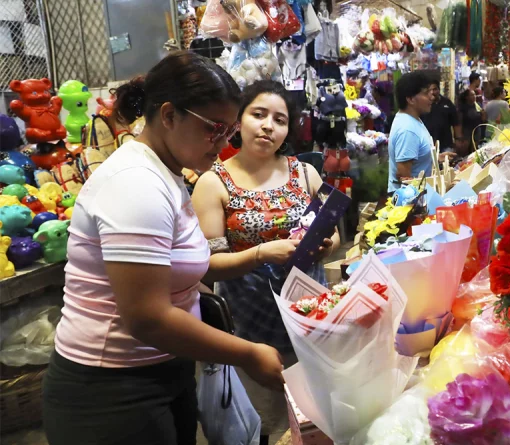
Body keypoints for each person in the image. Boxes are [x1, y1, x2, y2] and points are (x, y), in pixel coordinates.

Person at [42, 52, 285, 445]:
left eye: (229, 131)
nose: (225, 142)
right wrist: (247, 354)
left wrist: (259, 255)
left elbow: (185, 267)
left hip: (160, 370)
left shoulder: (167, 172)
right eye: (215, 130)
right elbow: (147, 318)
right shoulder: (136, 183)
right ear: (170, 115)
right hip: (111, 392)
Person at [192, 80, 339, 445]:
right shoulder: (213, 182)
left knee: (316, 416)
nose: (268, 126)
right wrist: (260, 253)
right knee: (259, 423)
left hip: (308, 315)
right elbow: (208, 265)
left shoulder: (305, 173)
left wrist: (325, 245)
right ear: (238, 120)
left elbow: (333, 234)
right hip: (249, 324)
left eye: (280, 119)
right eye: (258, 115)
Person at [387, 72, 436, 192]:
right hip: (410, 202)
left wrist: (435, 157)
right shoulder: (408, 129)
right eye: (426, 93)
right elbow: (403, 175)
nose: (432, 97)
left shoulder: (413, 120)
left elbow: (415, 156)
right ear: (410, 99)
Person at [421, 81, 463, 155]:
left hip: (446, 144)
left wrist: (458, 139)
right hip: (429, 144)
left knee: (446, 163)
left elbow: (456, 122)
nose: (432, 92)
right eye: (429, 90)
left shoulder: (447, 103)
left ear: (439, 89)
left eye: (434, 89)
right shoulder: (425, 104)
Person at [458, 89, 486, 154]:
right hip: (466, 130)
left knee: (475, 149)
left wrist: (483, 113)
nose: (474, 96)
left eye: (474, 95)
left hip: (477, 129)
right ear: (466, 97)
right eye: (472, 95)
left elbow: (483, 119)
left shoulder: (477, 105)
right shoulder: (463, 107)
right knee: (465, 150)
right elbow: (460, 120)